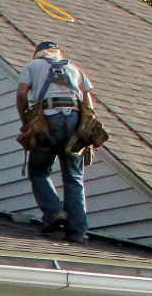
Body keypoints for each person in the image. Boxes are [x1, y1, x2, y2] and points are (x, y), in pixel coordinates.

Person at [16, 40, 94, 243]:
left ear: (38, 54)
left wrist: (26, 122)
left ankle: (53, 212)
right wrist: (86, 129)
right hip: (75, 122)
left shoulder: (32, 66)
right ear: (58, 53)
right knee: (74, 176)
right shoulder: (75, 68)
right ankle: (77, 232)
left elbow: (22, 94)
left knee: (39, 170)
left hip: (48, 120)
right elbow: (88, 102)